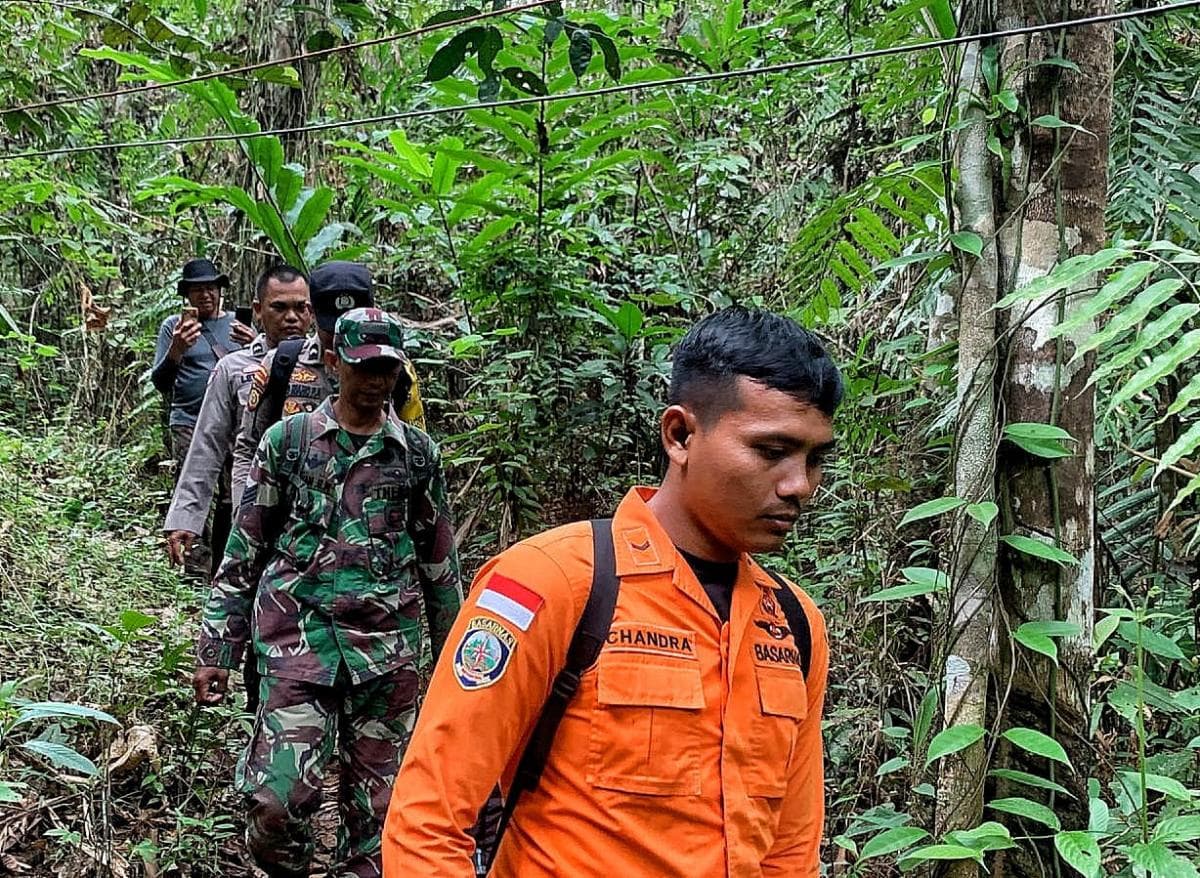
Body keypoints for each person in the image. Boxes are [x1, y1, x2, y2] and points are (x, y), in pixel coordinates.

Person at [382, 306, 843, 877]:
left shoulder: (795, 625)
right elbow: (429, 819)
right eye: (771, 451)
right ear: (680, 435)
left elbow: (790, 852)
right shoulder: (553, 581)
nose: (799, 485)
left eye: (815, 458)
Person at [193, 307, 463, 878]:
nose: (375, 381)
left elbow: (439, 563)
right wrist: (217, 650)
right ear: (335, 362)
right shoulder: (287, 443)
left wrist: (454, 663)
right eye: (364, 367)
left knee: (383, 817)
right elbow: (245, 550)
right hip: (297, 644)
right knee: (278, 803)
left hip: (386, 653)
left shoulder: (416, 455)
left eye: (387, 369)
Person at [163, 264, 312, 570]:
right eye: (279, 308)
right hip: (251, 507)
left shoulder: (331, 365)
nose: (292, 317)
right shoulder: (234, 369)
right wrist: (185, 518)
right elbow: (207, 445)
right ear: (258, 310)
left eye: (301, 307)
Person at [232, 261, 425, 497]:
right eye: (332, 326)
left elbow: (416, 453)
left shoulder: (397, 371)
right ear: (311, 312)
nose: (340, 337)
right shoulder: (283, 362)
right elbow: (248, 448)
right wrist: (245, 516)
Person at [152, 257, 255, 572]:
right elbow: (161, 382)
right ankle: (195, 565)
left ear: (220, 290)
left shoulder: (238, 324)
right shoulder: (173, 327)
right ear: (187, 295)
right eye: (197, 290)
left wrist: (254, 343)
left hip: (233, 424)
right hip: (188, 421)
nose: (205, 295)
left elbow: (258, 370)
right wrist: (177, 349)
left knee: (232, 493)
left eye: (210, 288)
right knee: (197, 490)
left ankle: (225, 561)